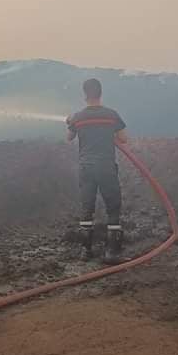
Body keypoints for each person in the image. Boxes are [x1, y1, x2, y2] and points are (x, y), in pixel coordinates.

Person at [66, 78, 129, 260]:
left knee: (87, 207)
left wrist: (69, 122)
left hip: (86, 168)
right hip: (106, 166)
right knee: (113, 206)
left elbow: (69, 137)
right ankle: (112, 252)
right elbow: (123, 138)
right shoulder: (111, 115)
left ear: (85, 95)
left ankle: (85, 251)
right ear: (100, 93)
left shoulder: (77, 117)